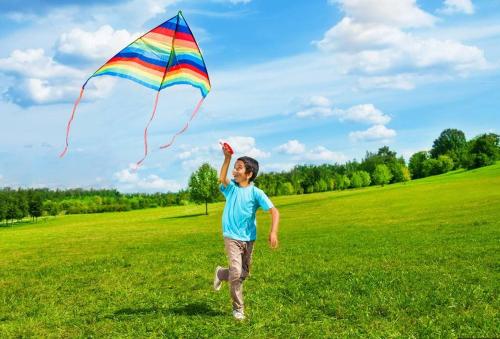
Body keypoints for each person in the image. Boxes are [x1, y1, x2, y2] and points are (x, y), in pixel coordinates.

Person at [213, 144, 280, 321]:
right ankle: (238, 309)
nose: (234, 171)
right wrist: (227, 158)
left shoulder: (257, 193)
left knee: (243, 273)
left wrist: (273, 232)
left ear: (249, 174)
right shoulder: (231, 189)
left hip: (248, 238)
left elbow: (274, 211)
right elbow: (222, 178)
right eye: (234, 167)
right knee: (236, 271)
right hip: (231, 236)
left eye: (239, 168)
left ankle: (220, 273)